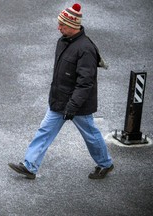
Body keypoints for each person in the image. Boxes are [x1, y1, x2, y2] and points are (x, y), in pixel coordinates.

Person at [8, 3, 113, 180]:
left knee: (91, 136)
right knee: (44, 131)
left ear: (72, 26)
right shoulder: (63, 41)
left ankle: (105, 164)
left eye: (62, 25)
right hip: (59, 101)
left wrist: (72, 106)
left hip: (77, 106)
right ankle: (29, 166)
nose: (58, 28)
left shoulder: (85, 49)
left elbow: (85, 83)